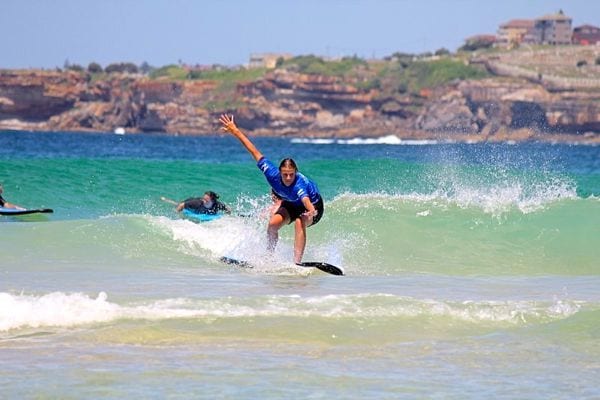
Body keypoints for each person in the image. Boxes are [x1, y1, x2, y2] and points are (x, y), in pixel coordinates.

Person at [219, 114, 324, 263]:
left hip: (313, 207)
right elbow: (254, 152)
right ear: (279, 172)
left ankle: (297, 263)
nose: (288, 178)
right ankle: (269, 257)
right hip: (291, 203)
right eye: (285, 175)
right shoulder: (271, 173)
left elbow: (308, 204)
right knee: (272, 224)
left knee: (300, 221)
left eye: (291, 175)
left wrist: (311, 214)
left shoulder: (299, 186)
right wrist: (235, 131)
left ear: (296, 172)